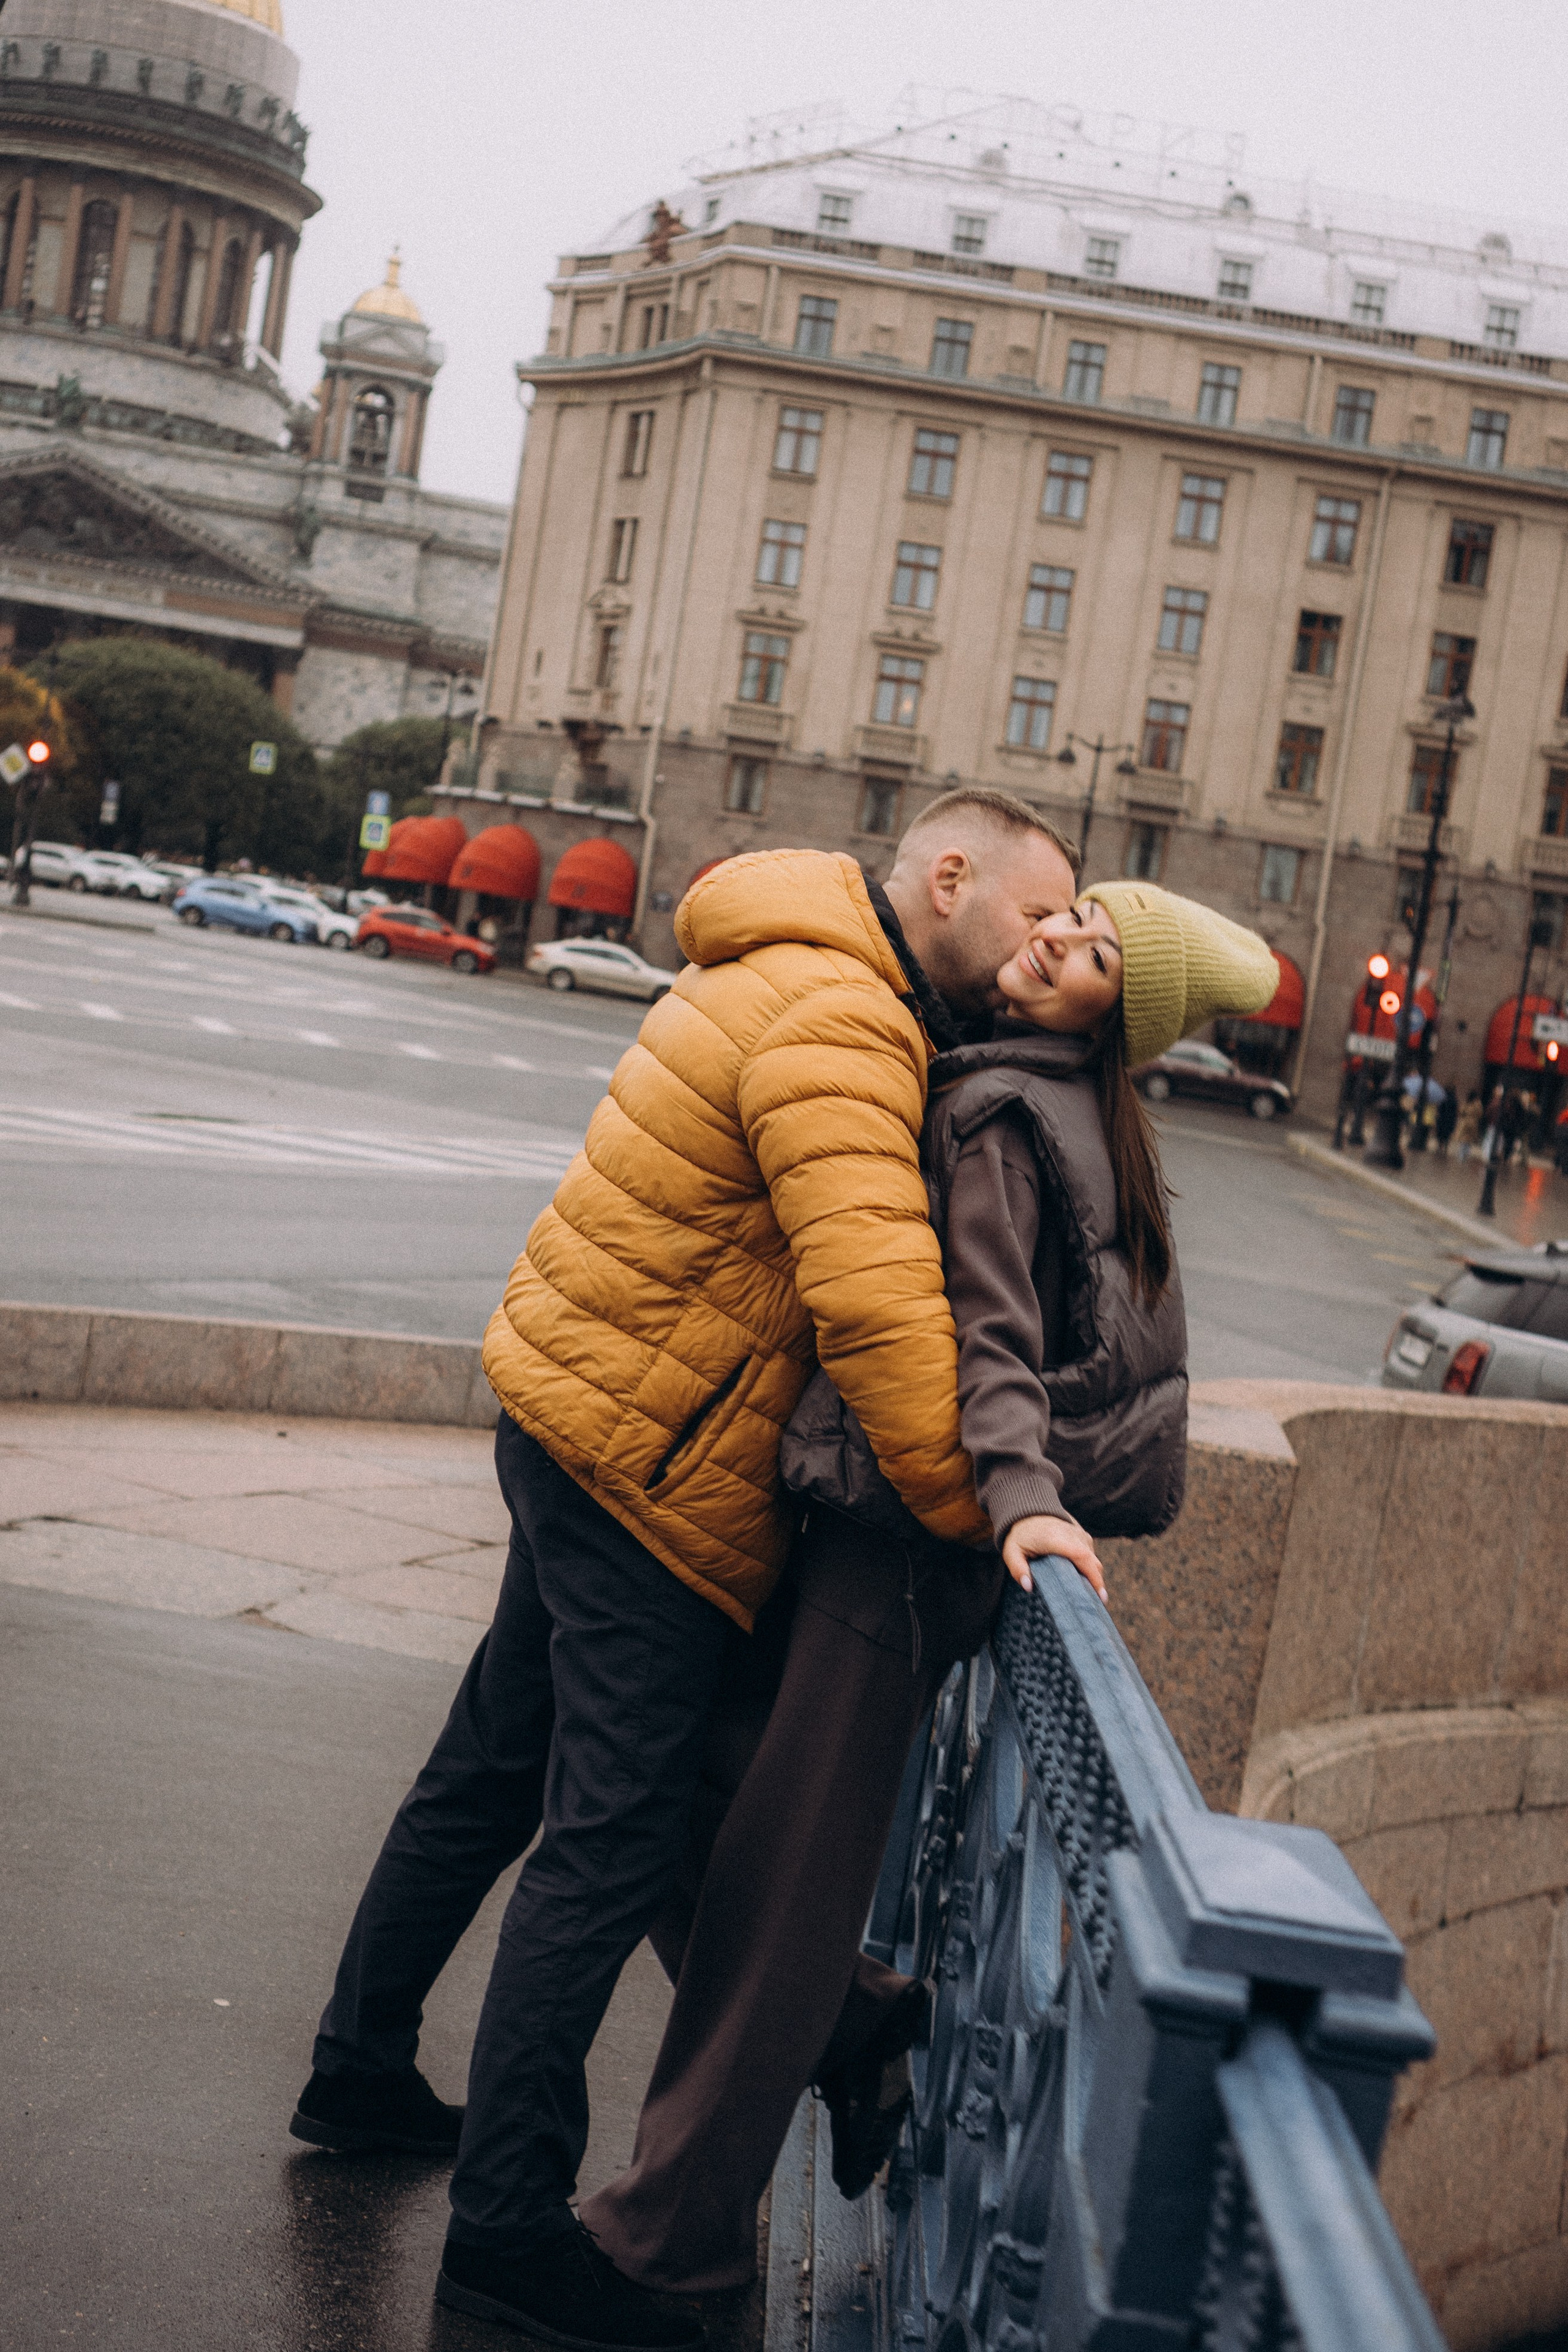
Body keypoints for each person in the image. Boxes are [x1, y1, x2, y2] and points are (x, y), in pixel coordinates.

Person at [288, 791, 1080, 2349]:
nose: (1045, 944)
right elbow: (877, 1312)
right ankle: (509, 2230)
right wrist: (982, 1508)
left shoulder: (789, 949)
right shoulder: (847, 1018)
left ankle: (359, 2061)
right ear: (946, 876)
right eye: (1034, 913)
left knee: (487, 1767)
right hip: (648, 1466)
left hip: (576, 1408)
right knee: (605, 1837)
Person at [578, 880, 1279, 2293]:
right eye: (1073, 914)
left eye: (1091, 958)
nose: (1056, 940)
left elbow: (992, 1344)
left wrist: (1019, 1499)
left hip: (899, 1547)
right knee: (668, 1791)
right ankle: (864, 2026)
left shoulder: (1006, 1116)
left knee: (778, 1893)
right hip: (886, 1537)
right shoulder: (1054, 1103)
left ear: (1111, 1020)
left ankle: (673, 2240)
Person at [1455, 1089, 1483, 1161]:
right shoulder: (1478, 1104)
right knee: (1469, 1140)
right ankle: (1466, 1156)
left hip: (1465, 1122)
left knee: (1463, 1140)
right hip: (1473, 1123)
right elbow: (1480, 1114)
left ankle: (1461, 1156)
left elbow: (1461, 1111)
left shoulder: (1467, 1102)